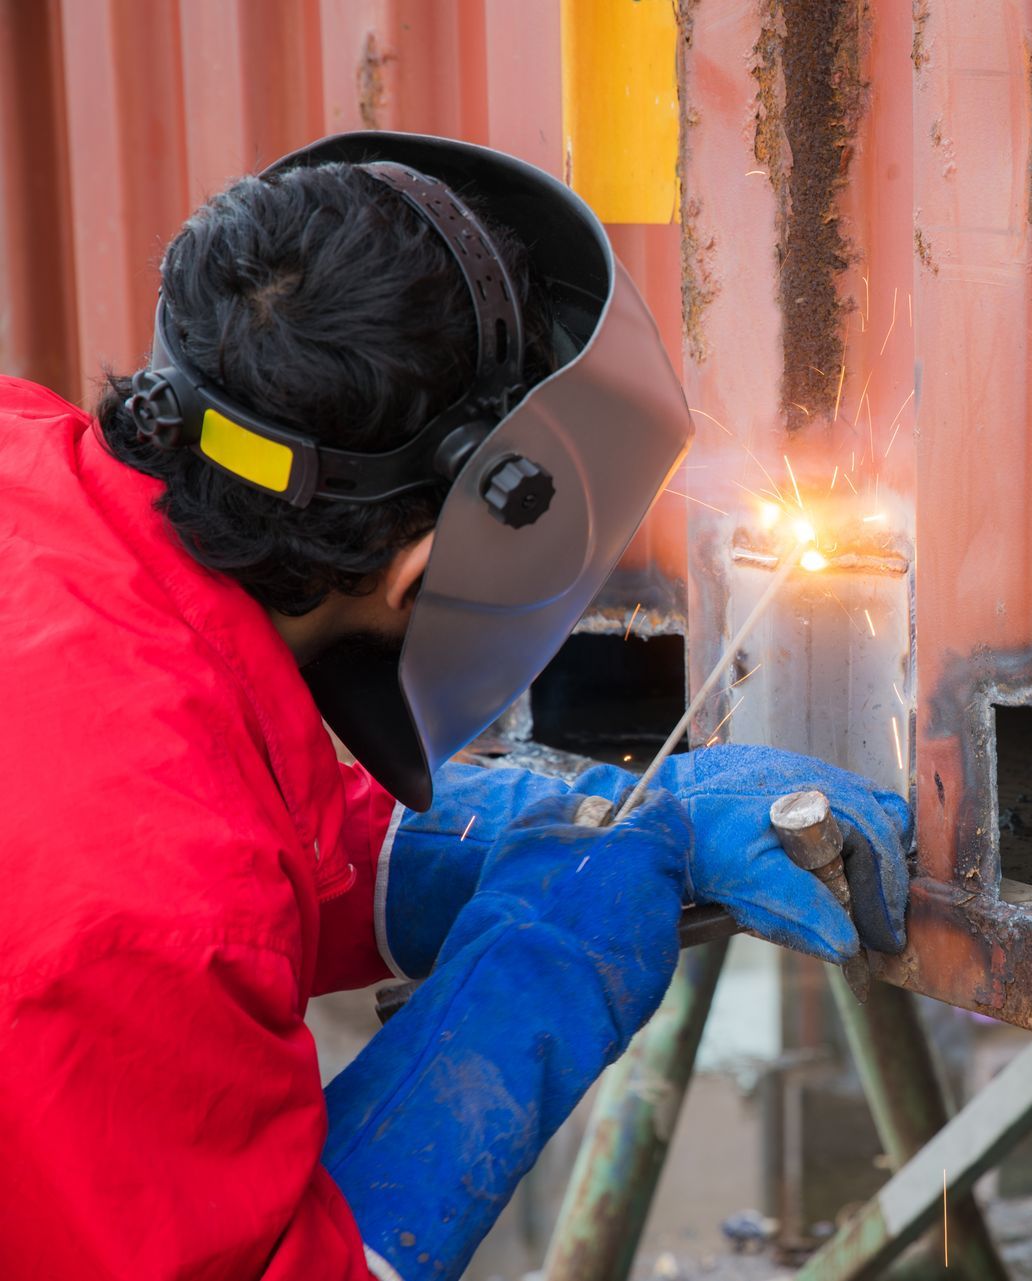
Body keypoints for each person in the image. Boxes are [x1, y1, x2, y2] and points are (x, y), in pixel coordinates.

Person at [0, 133, 909, 1281]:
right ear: (421, 571)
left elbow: (169, 794)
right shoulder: (151, 914)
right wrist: (534, 975)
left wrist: (514, 842)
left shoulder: (26, 458)